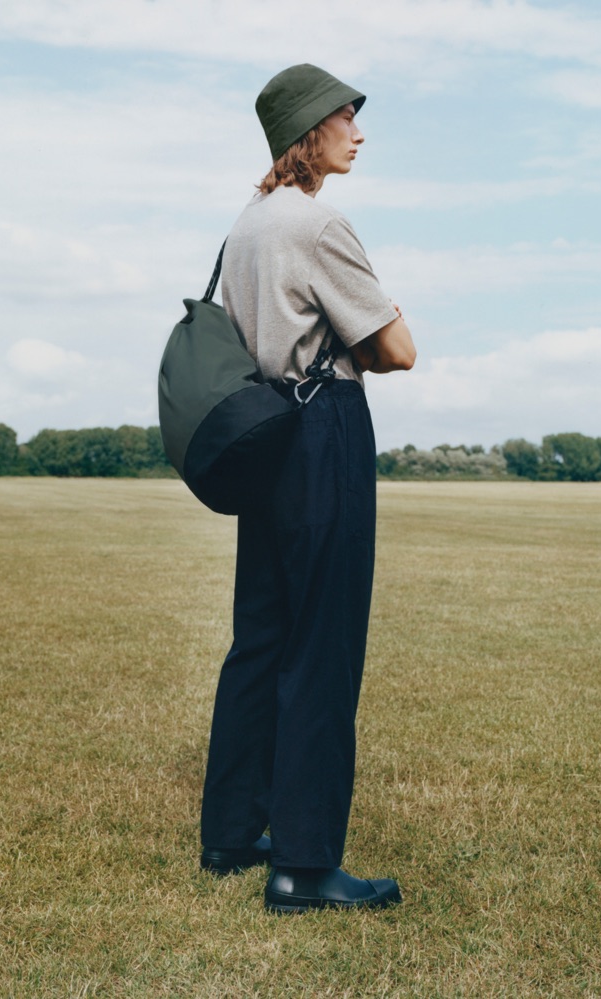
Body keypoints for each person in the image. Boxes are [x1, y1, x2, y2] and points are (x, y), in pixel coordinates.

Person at [198, 63, 416, 914]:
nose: (357, 131)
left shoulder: (246, 225)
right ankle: (304, 863)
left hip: (265, 440)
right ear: (307, 133)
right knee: (322, 647)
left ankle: (230, 833)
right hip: (323, 431)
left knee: (260, 637)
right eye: (344, 117)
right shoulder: (320, 223)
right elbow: (395, 350)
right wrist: (362, 337)